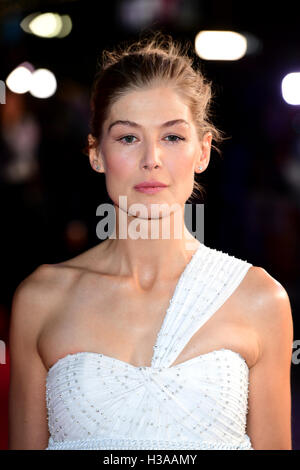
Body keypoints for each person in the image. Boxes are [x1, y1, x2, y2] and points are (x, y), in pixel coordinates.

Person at [8, 31, 293, 450]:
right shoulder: (41, 299)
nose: (151, 159)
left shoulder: (260, 300)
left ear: (203, 151)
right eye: (128, 137)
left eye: (172, 137)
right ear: (96, 153)